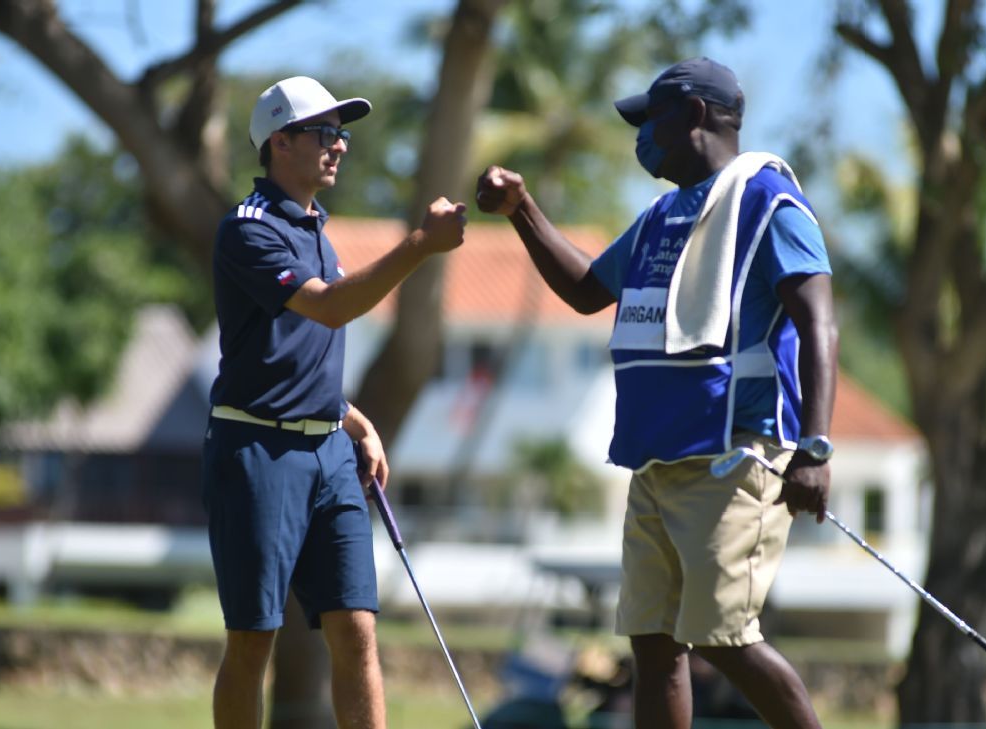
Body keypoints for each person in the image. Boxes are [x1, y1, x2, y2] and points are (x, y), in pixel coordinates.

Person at [476, 56, 838, 729]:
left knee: (724, 639)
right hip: (656, 463)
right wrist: (521, 210)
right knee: (654, 646)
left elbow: (819, 319)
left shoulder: (770, 202)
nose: (643, 135)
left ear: (695, 115)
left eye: (653, 118)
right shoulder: (661, 218)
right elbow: (587, 289)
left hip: (735, 458)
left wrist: (814, 449)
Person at [205, 75, 467, 729]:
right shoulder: (247, 229)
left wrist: (351, 416)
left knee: (356, 629)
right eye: (325, 133)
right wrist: (421, 245)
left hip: (326, 451)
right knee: (253, 639)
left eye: (341, 133)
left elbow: (293, 352)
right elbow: (329, 307)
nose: (339, 146)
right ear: (281, 142)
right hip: (257, 450)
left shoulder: (317, 229)